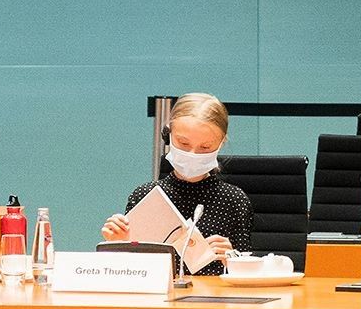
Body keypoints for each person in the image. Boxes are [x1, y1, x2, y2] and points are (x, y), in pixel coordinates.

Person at [101, 91, 253, 276]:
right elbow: (126, 273)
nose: (193, 154)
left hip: (213, 300)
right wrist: (118, 244)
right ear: (168, 135)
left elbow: (250, 273)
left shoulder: (234, 200)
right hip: (157, 300)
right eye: (183, 143)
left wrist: (233, 258)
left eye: (205, 147)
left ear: (221, 143)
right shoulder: (145, 196)